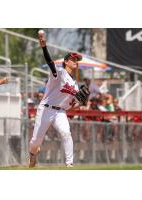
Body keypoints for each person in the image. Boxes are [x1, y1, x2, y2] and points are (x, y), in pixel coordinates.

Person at [29, 30, 89, 168]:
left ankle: (69, 165)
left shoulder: (74, 84)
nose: (76, 62)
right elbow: (50, 62)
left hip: (60, 112)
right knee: (36, 142)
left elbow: (70, 106)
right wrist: (44, 47)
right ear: (66, 62)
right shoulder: (60, 73)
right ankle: (32, 155)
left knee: (66, 133)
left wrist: (82, 102)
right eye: (73, 59)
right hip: (46, 109)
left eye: (77, 60)